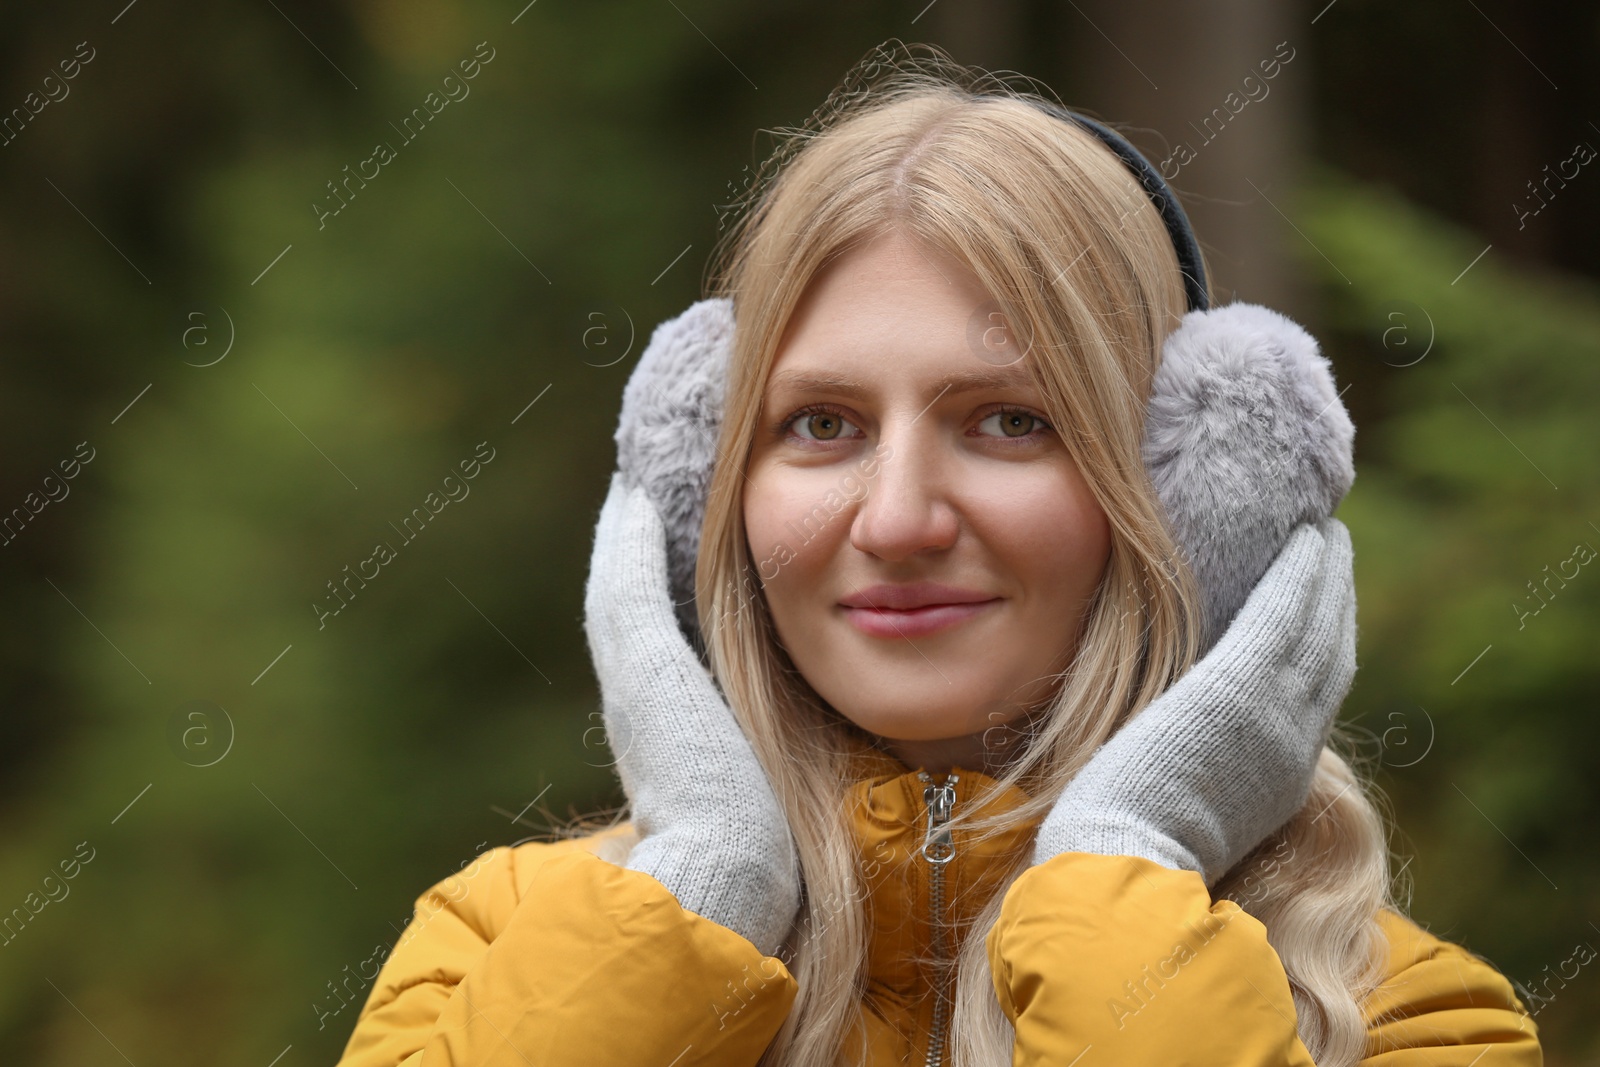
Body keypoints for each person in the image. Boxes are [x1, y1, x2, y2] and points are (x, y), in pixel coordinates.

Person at [332, 42, 1541, 1067]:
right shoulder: (488, 948)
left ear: (1194, 503)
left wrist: (1125, 862)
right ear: (702, 491)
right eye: (822, 425)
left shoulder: (1410, 1017)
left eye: (1010, 420)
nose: (897, 518)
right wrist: (702, 880)